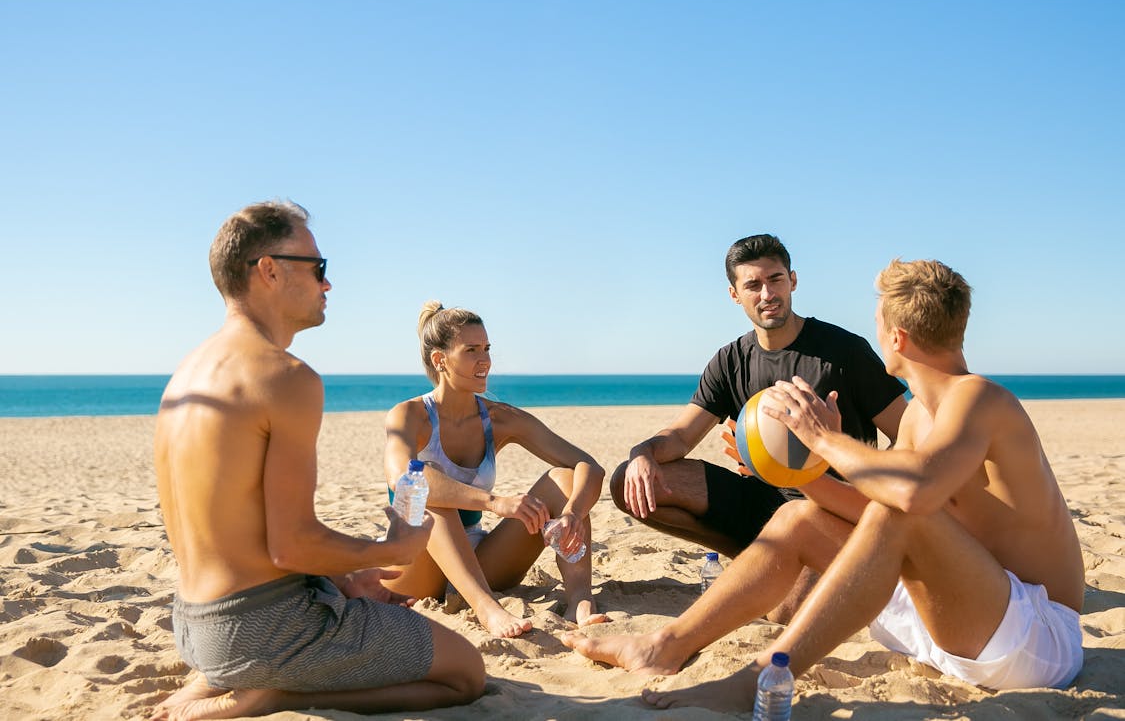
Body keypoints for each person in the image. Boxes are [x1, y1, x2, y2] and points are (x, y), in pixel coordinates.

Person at [564, 259, 1085, 712]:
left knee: (899, 511)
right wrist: (798, 475)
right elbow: (884, 513)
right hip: (960, 619)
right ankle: (665, 646)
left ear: (896, 338)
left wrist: (822, 440)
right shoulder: (916, 420)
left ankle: (757, 680)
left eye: (879, 318)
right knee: (796, 516)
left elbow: (912, 499)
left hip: (1033, 638)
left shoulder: (979, 399)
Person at [152, 201, 484, 721]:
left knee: (358, 600)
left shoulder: (187, 373)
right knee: (467, 673)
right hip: (265, 630)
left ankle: (239, 678)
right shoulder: (285, 377)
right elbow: (291, 546)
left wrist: (344, 580)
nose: (327, 283)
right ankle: (271, 695)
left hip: (195, 625)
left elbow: (246, 530)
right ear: (269, 270)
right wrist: (387, 550)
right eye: (318, 266)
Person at [613, 234, 906, 618]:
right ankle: (754, 554)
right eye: (753, 284)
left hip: (827, 508)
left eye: (776, 279)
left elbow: (905, 434)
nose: (767, 293)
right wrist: (643, 454)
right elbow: (683, 435)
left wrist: (864, 491)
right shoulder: (730, 359)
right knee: (628, 483)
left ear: (793, 281)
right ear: (735, 295)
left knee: (783, 613)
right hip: (759, 500)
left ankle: (796, 560)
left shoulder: (844, 352)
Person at [380, 301, 608, 638]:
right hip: (414, 565)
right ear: (440, 360)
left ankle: (579, 600)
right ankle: (488, 609)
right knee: (423, 483)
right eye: (471, 350)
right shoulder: (409, 415)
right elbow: (402, 481)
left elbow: (587, 465)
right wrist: (494, 502)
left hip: (479, 563)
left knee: (565, 479)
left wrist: (573, 511)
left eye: (487, 348)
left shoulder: (500, 418)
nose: (485, 359)